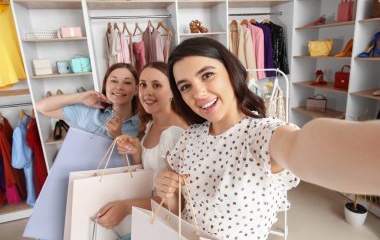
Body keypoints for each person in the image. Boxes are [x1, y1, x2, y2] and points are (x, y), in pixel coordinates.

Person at [155, 37, 380, 240]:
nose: (198, 93)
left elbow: (302, 146)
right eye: (185, 87)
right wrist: (170, 194)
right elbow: (180, 212)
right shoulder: (189, 139)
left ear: (233, 72)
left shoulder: (262, 135)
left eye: (207, 75)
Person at [96, 62, 188, 230]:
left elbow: (177, 203)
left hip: (166, 225)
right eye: (143, 85)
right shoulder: (150, 124)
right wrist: (137, 150)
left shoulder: (174, 134)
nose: (147, 92)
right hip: (149, 218)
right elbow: (149, 173)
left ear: (173, 92)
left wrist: (126, 208)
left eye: (157, 85)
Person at [36, 63, 140, 138]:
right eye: (114, 81)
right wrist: (81, 97)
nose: (119, 87)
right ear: (105, 85)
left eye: (127, 83)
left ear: (136, 89)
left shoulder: (144, 123)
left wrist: (118, 136)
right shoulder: (88, 112)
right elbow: (41, 107)